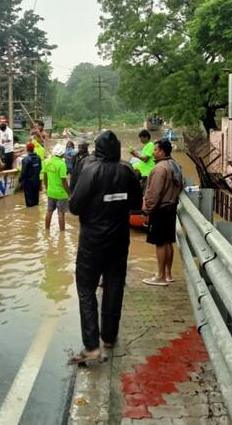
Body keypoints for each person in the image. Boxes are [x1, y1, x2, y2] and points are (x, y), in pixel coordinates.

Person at [68, 130, 141, 364]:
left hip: (92, 241)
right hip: (119, 239)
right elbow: (136, 203)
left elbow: (75, 207)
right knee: (114, 285)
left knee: (86, 287)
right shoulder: (127, 170)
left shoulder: (91, 170)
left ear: (97, 148)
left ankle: (91, 345)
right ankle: (109, 337)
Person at [142, 139, 184, 286]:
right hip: (171, 208)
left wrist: (147, 209)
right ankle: (168, 274)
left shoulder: (160, 168)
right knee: (168, 242)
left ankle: (160, 276)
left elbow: (154, 193)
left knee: (160, 243)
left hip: (160, 210)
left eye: (156, 150)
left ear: (162, 152)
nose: (153, 152)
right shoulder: (175, 165)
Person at [42, 143, 70, 232]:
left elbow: (45, 177)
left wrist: (47, 188)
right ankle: (62, 234)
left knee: (49, 211)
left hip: (50, 192)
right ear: (61, 154)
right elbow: (64, 181)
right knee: (61, 213)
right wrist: (69, 193)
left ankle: (47, 230)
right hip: (61, 194)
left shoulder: (47, 162)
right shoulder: (62, 164)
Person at [20, 142, 42, 207]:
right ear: (33, 149)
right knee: (36, 201)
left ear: (27, 149)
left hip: (28, 183)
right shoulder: (38, 158)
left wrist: (20, 180)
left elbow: (23, 172)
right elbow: (40, 168)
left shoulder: (25, 159)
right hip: (36, 182)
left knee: (29, 204)